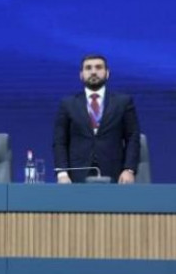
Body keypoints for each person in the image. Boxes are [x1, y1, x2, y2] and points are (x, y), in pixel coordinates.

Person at [53, 54, 140, 184]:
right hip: (76, 175)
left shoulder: (123, 102)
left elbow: (132, 137)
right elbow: (60, 141)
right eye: (88, 68)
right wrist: (62, 173)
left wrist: (129, 169)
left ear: (107, 73)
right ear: (81, 75)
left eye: (98, 67)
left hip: (115, 175)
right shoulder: (68, 104)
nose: (93, 72)